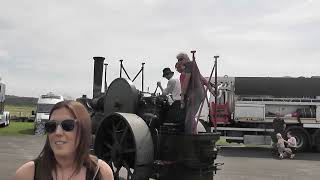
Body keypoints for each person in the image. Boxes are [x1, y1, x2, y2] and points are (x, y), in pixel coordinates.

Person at [13, 100, 113, 180]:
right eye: (51, 126)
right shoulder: (27, 174)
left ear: (83, 129)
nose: (58, 132)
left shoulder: (101, 172)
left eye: (68, 125)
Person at [176, 52, 215, 134]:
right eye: (178, 60)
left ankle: (189, 137)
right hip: (197, 93)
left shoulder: (189, 65)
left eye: (180, 59)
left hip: (195, 93)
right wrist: (211, 88)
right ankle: (194, 133)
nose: (179, 61)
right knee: (190, 117)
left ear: (185, 58)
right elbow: (202, 79)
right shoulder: (193, 66)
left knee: (189, 118)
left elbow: (186, 82)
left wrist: (182, 97)